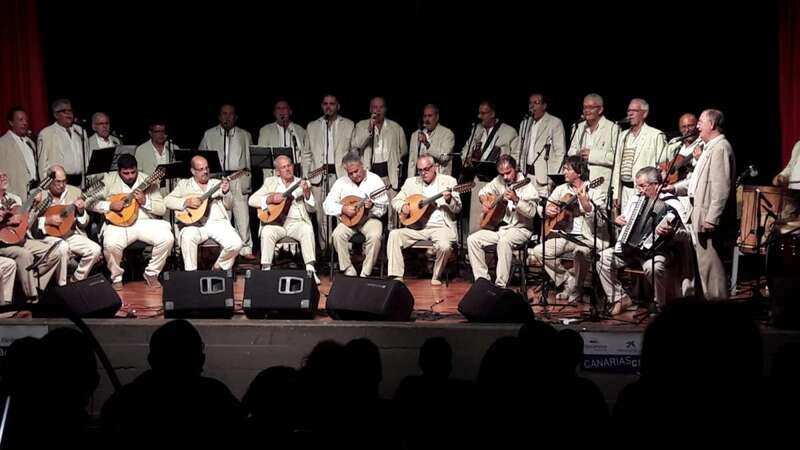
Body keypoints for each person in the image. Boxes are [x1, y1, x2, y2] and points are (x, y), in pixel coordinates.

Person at [597, 167, 691, 315]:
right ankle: (620, 298)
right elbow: (626, 227)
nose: (639, 190)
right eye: (637, 186)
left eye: (642, 186)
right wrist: (619, 222)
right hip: (631, 250)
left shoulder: (673, 203)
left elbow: (686, 234)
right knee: (602, 259)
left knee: (654, 267)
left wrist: (672, 232)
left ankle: (661, 306)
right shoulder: (635, 200)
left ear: (656, 185)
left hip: (658, 251)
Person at [668, 109, 735, 300]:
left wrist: (712, 218)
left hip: (708, 219)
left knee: (713, 272)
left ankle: (719, 313)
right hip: (700, 216)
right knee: (705, 269)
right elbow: (695, 181)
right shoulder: (709, 147)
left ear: (712, 125)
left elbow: (721, 187)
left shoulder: (720, 147)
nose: (697, 126)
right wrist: (672, 189)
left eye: (700, 122)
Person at [531, 156, 610, 302]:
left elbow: (601, 223)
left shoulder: (595, 191)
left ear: (579, 172)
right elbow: (544, 206)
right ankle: (568, 281)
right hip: (565, 235)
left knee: (580, 252)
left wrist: (586, 206)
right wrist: (547, 210)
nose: (564, 172)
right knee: (538, 251)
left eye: (568, 169)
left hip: (588, 238)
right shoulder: (561, 189)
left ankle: (577, 289)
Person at [89, 154, 174, 290]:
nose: (130, 176)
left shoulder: (148, 180)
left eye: (133, 172)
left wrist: (145, 201)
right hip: (118, 224)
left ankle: (151, 273)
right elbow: (90, 202)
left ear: (137, 169)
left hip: (144, 222)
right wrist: (109, 206)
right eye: (126, 173)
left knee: (167, 238)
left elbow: (162, 209)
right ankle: (116, 277)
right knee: (110, 244)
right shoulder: (108, 180)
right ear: (119, 171)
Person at [388, 154, 462, 285]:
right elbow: (396, 200)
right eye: (420, 170)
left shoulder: (449, 182)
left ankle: (436, 276)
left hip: (441, 227)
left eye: (426, 169)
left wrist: (449, 199)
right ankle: (396, 276)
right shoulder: (411, 182)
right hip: (417, 227)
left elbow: (457, 209)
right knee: (394, 234)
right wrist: (403, 206)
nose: (423, 173)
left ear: (435, 167)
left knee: (444, 246)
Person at [467, 155, 538, 288]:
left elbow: (533, 212)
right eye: (502, 174)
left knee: (504, 241)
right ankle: (482, 282)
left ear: (515, 168)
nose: (505, 177)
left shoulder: (527, 185)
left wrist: (517, 200)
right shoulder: (499, 180)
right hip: (502, 230)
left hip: (521, 230)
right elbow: (483, 191)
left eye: (508, 172)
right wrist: (485, 201)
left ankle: (500, 286)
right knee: (473, 239)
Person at [248, 155, 320, 284]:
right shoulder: (270, 182)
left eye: (289, 165)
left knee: (307, 229)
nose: (287, 169)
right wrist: (269, 199)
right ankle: (266, 270)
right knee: (267, 232)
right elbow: (251, 200)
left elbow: (312, 209)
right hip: (276, 223)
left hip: (296, 223)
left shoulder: (302, 183)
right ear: (277, 172)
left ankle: (310, 269)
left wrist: (307, 193)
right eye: (283, 167)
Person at [165, 156, 242, 272]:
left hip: (217, 223)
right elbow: (167, 201)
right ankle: (191, 276)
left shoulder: (217, 183)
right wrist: (186, 202)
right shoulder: (184, 184)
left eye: (207, 168)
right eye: (200, 169)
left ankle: (217, 268)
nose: (205, 172)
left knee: (236, 244)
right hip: (194, 225)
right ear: (193, 171)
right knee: (187, 237)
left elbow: (229, 205)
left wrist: (226, 192)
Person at [0, 171, 68, 302]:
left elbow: (27, 223)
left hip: (19, 239)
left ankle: (32, 285)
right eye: (0, 176)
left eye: (4, 175)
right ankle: (33, 298)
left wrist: (34, 208)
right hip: (2, 244)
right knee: (25, 255)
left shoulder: (15, 199)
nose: (3, 177)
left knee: (55, 253)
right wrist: (6, 221)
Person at [199, 104, 255, 259]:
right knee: (222, 213)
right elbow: (201, 157)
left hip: (238, 176)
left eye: (231, 114)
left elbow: (249, 159)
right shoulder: (209, 134)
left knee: (242, 213)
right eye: (224, 114)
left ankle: (245, 248)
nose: (227, 117)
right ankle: (227, 248)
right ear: (219, 116)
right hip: (218, 177)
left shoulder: (245, 134)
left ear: (235, 117)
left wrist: (247, 178)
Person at [304, 94, 356, 253]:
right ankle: (326, 249)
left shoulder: (348, 124)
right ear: (322, 106)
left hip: (341, 175)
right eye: (325, 103)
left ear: (338, 106)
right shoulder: (312, 126)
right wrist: (307, 176)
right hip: (319, 175)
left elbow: (353, 151)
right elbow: (306, 155)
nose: (328, 106)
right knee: (322, 216)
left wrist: (352, 174)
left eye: (332, 104)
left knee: (343, 212)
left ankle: (343, 250)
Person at [323, 152, 388, 277]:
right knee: (337, 235)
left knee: (375, 236)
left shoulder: (375, 180)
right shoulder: (341, 182)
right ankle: (348, 269)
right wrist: (343, 209)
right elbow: (327, 205)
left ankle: (365, 272)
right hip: (349, 221)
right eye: (350, 173)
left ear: (362, 165)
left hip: (370, 219)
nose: (354, 175)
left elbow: (383, 208)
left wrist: (372, 207)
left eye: (357, 171)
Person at [36, 165, 102, 282]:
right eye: (58, 182)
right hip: (49, 236)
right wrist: (47, 220)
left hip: (70, 234)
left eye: (64, 181)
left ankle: (76, 280)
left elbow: (84, 224)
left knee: (95, 249)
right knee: (63, 247)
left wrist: (81, 211)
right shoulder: (40, 196)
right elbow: (30, 223)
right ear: (49, 181)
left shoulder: (75, 192)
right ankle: (62, 286)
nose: (62, 185)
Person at [461, 100, 518, 234]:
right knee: (477, 219)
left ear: (492, 114)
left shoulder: (509, 131)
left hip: (499, 180)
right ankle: (475, 244)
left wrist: (503, 161)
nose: (480, 116)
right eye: (479, 113)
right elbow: (464, 151)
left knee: (496, 219)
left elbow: (516, 156)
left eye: (484, 113)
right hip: (478, 179)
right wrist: (469, 157)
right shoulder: (477, 130)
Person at [351, 97, 407, 228]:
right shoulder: (361, 125)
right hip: (369, 173)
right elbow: (356, 145)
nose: (378, 110)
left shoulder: (395, 127)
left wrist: (395, 161)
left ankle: (390, 241)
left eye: (381, 107)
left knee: (391, 213)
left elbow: (403, 150)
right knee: (370, 210)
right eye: (375, 107)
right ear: (370, 109)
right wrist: (369, 129)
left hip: (389, 174)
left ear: (385, 109)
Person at [611, 98, 669, 212]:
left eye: (634, 111)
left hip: (644, 190)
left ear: (645, 113)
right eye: (628, 111)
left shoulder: (656, 135)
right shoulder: (622, 136)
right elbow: (617, 165)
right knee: (625, 223)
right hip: (625, 190)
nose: (630, 114)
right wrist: (615, 194)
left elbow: (662, 167)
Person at [568, 93, 620, 196]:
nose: (586, 110)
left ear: (600, 110)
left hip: (600, 184)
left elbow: (616, 158)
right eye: (585, 107)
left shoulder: (612, 128)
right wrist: (578, 153)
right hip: (579, 183)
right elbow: (570, 151)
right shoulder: (578, 127)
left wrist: (592, 155)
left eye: (591, 107)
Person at [515, 93, 566, 197]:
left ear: (544, 106)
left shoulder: (555, 123)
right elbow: (518, 149)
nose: (532, 106)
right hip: (525, 175)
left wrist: (553, 178)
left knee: (541, 210)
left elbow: (560, 153)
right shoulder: (524, 123)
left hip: (543, 179)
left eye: (536, 103)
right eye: (530, 103)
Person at [37, 98, 86, 186]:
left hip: (80, 182)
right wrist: (46, 187)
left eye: (70, 110)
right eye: (64, 111)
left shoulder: (80, 131)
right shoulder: (46, 134)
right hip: (59, 184)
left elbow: (86, 158)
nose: (69, 113)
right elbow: (42, 166)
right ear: (56, 115)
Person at [258, 100, 308, 178]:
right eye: (278, 108)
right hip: (275, 174)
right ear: (274, 113)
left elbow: (306, 154)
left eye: (284, 108)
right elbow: (261, 156)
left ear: (290, 111)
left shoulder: (300, 130)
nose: (281, 111)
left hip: (296, 173)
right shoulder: (265, 130)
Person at [0, 107, 39, 201]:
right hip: (15, 195)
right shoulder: (2, 143)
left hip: (34, 193)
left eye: (26, 120)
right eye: (21, 120)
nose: (25, 123)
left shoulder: (30, 142)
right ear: (11, 122)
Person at [407, 104, 455, 178]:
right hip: (419, 180)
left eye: (430, 116)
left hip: (439, 181)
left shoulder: (447, 134)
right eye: (425, 116)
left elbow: (444, 158)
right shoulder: (415, 135)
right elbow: (412, 162)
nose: (427, 119)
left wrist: (427, 144)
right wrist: (410, 181)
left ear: (437, 117)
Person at [135, 121, 178, 197]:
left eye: (163, 131)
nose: (161, 135)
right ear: (150, 133)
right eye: (157, 132)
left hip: (172, 194)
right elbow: (138, 175)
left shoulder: (173, 148)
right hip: (151, 194)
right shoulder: (141, 150)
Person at [773, 139, 800, 219]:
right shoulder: (799, 144)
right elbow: (791, 166)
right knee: (784, 226)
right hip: (792, 196)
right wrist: (782, 176)